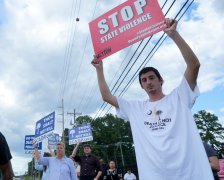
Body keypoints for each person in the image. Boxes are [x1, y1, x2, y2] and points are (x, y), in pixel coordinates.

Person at [91, 18, 213, 179]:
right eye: (144, 80)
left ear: (160, 80)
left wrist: (174, 35)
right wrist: (99, 69)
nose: (148, 82)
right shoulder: (135, 108)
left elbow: (194, 65)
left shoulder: (180, 97)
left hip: (190, 174)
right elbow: (106, 96)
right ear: (142, 86)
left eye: (151, 77)